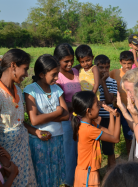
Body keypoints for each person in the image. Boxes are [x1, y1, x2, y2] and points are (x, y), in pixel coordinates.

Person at [0, 49, 40, 187]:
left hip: (23, 153)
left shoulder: (17, 90)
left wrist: (35, 132)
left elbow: (18, 122)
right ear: (13, 66)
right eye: (25, 69)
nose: (26, 74)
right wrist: (8, 165)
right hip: (8, 158)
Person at [24, 54, 70, 187]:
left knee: (56, 172)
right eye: (54, 75)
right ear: (42, 74)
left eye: (58, 74)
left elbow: (66, 115)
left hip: (58, 138)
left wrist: (43, 116)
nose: (57, 78)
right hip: (40, 140)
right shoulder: (31, 90)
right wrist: (57, 112)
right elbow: (34, 120)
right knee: (42, 174)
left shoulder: (57, 89)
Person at [72, 91, 121, 187]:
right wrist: (118, 117)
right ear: (89, 111)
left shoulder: (88, 124)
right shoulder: (89, 129)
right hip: (87, 174)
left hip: (88, 171)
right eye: (97, 105)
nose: (99, 107)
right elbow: (115, 139)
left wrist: (111, 113)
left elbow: (110, 133)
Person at [54, 43, 80, 187]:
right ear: (58, 61)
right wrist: (83, 105)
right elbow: (61, 104)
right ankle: (70, 182)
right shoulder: (56, 77)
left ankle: (82, 179)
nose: (70, 64)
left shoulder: (76, 72)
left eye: (72, 60)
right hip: (68, 121)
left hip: (81, 119)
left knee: (81, 151)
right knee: (69, 154)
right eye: (66, 61)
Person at [95, 55, 118, 170]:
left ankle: (112, 170)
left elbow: (109, 100)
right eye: (101, 67)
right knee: (96, 146)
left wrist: (103, 82)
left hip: (108, 118)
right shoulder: (92, 81)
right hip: (96, 118)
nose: (104, 70)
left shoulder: (112, 82)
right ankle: (96, 170)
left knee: (109, 146)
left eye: (107, 67)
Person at [109, 51, 134, 155]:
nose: (127, 66)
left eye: (129, 63)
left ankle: (130, 156)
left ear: (132, 62)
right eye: (124, 63)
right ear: (120, 62)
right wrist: (112, 98)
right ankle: (112, 157)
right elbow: (108, 83)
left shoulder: (135, 74)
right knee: (113, 133)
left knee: (130, 135)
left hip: (130, 109)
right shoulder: (115, 73)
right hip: (117, 108)